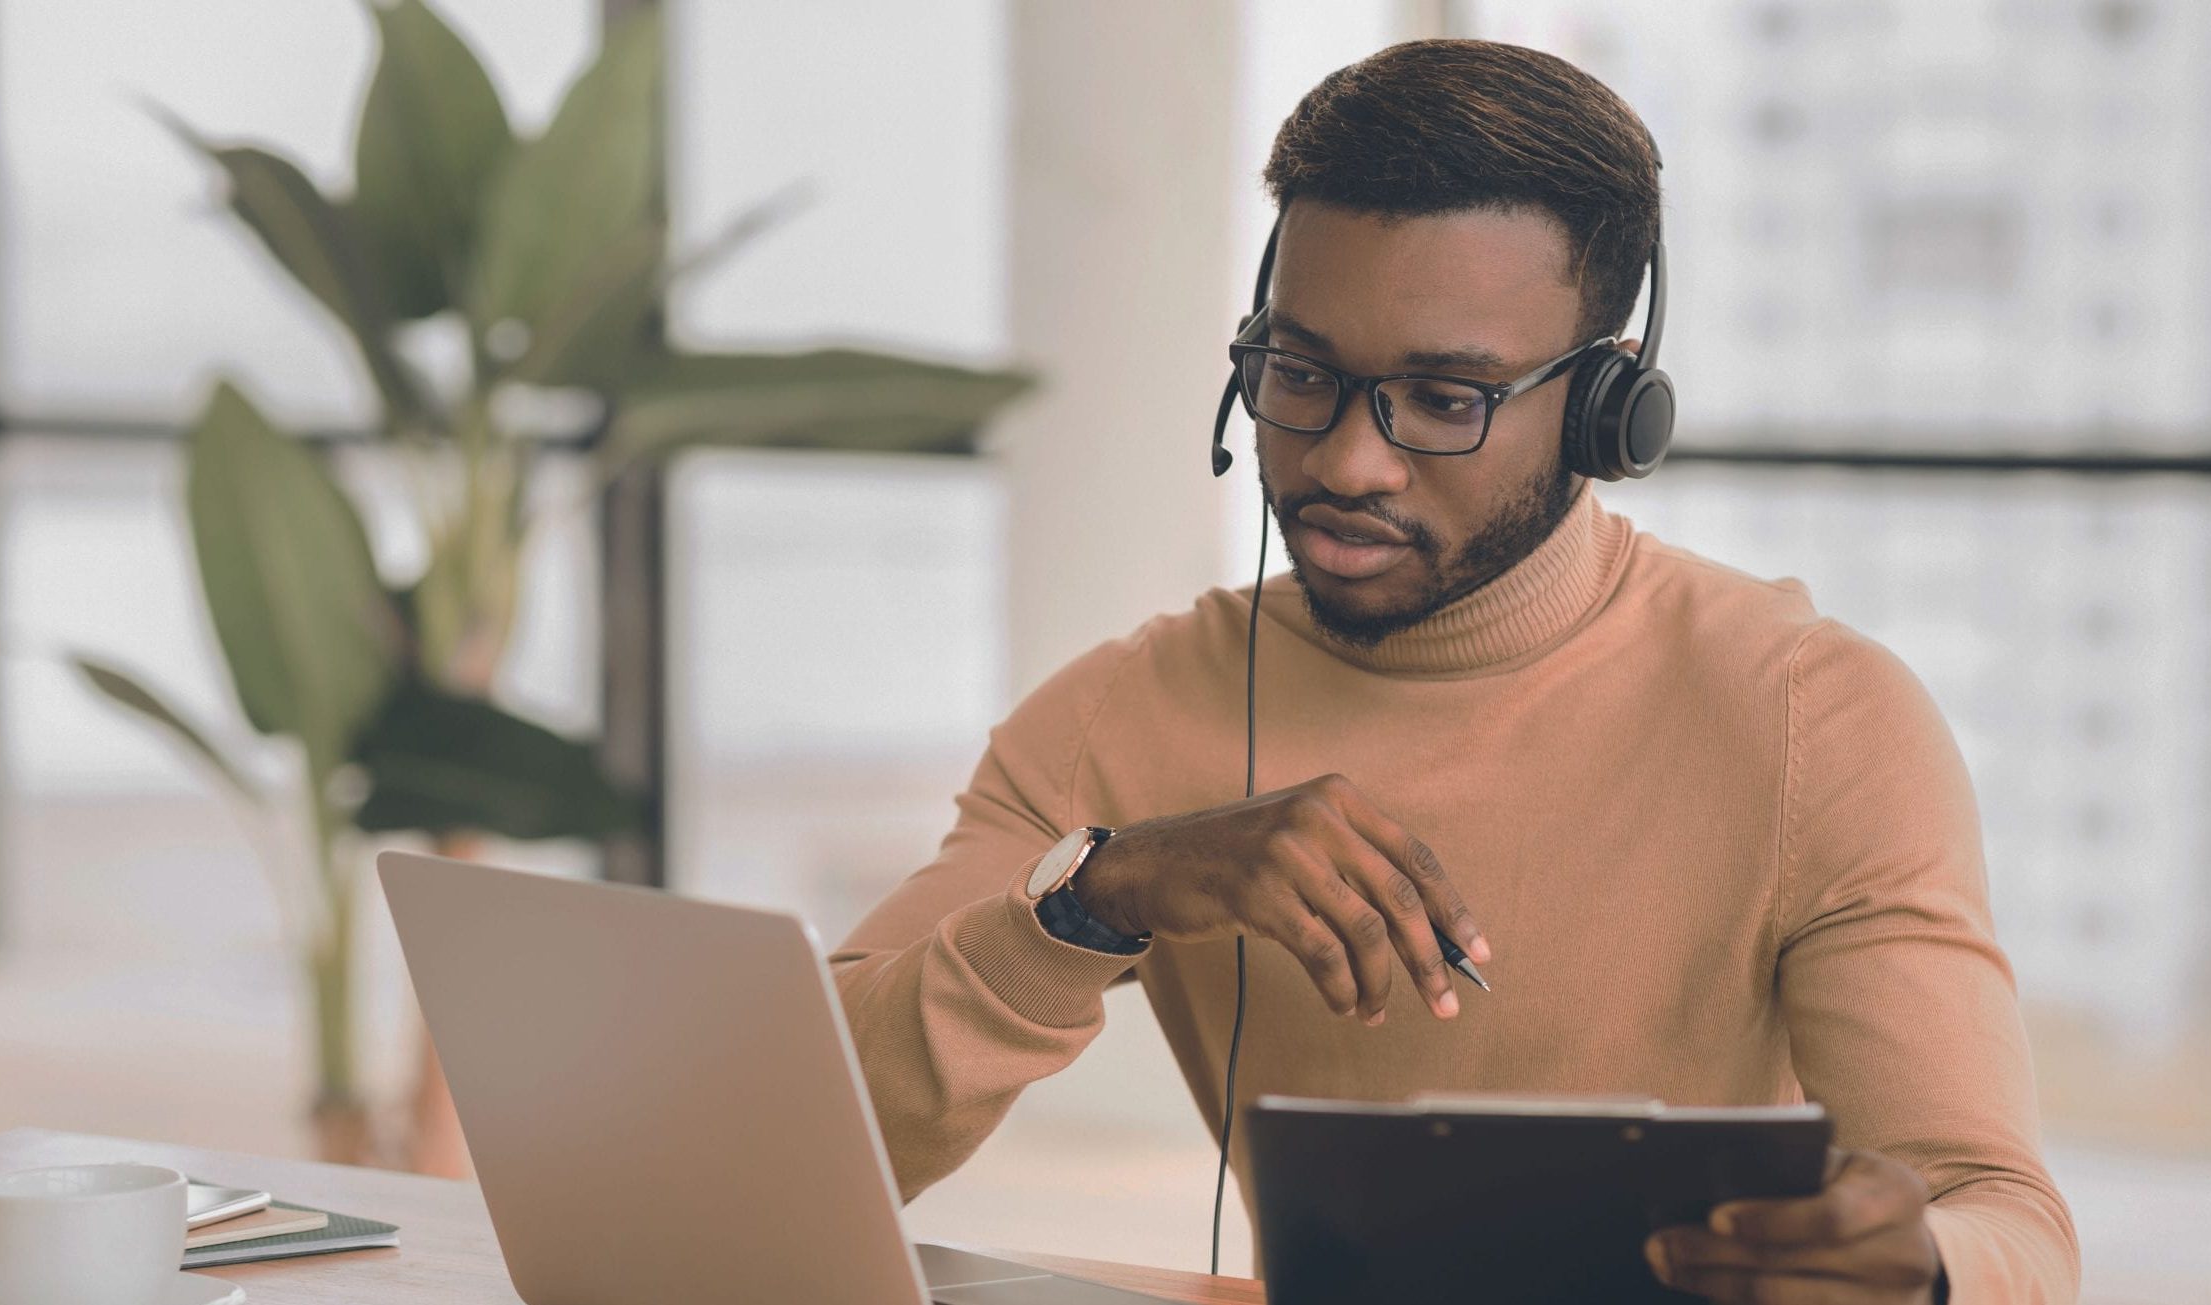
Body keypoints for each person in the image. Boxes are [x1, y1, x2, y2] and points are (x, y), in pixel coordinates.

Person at [829, 39, 2076, 1304]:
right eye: (1303, 374)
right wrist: (1106, 890)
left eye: (1442, 398)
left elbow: (2005, 1220)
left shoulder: (1818, 716)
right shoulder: (1126, 709)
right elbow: (814, 1136)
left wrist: (1919, 1267)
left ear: (1606, 411)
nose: (1348, 465)